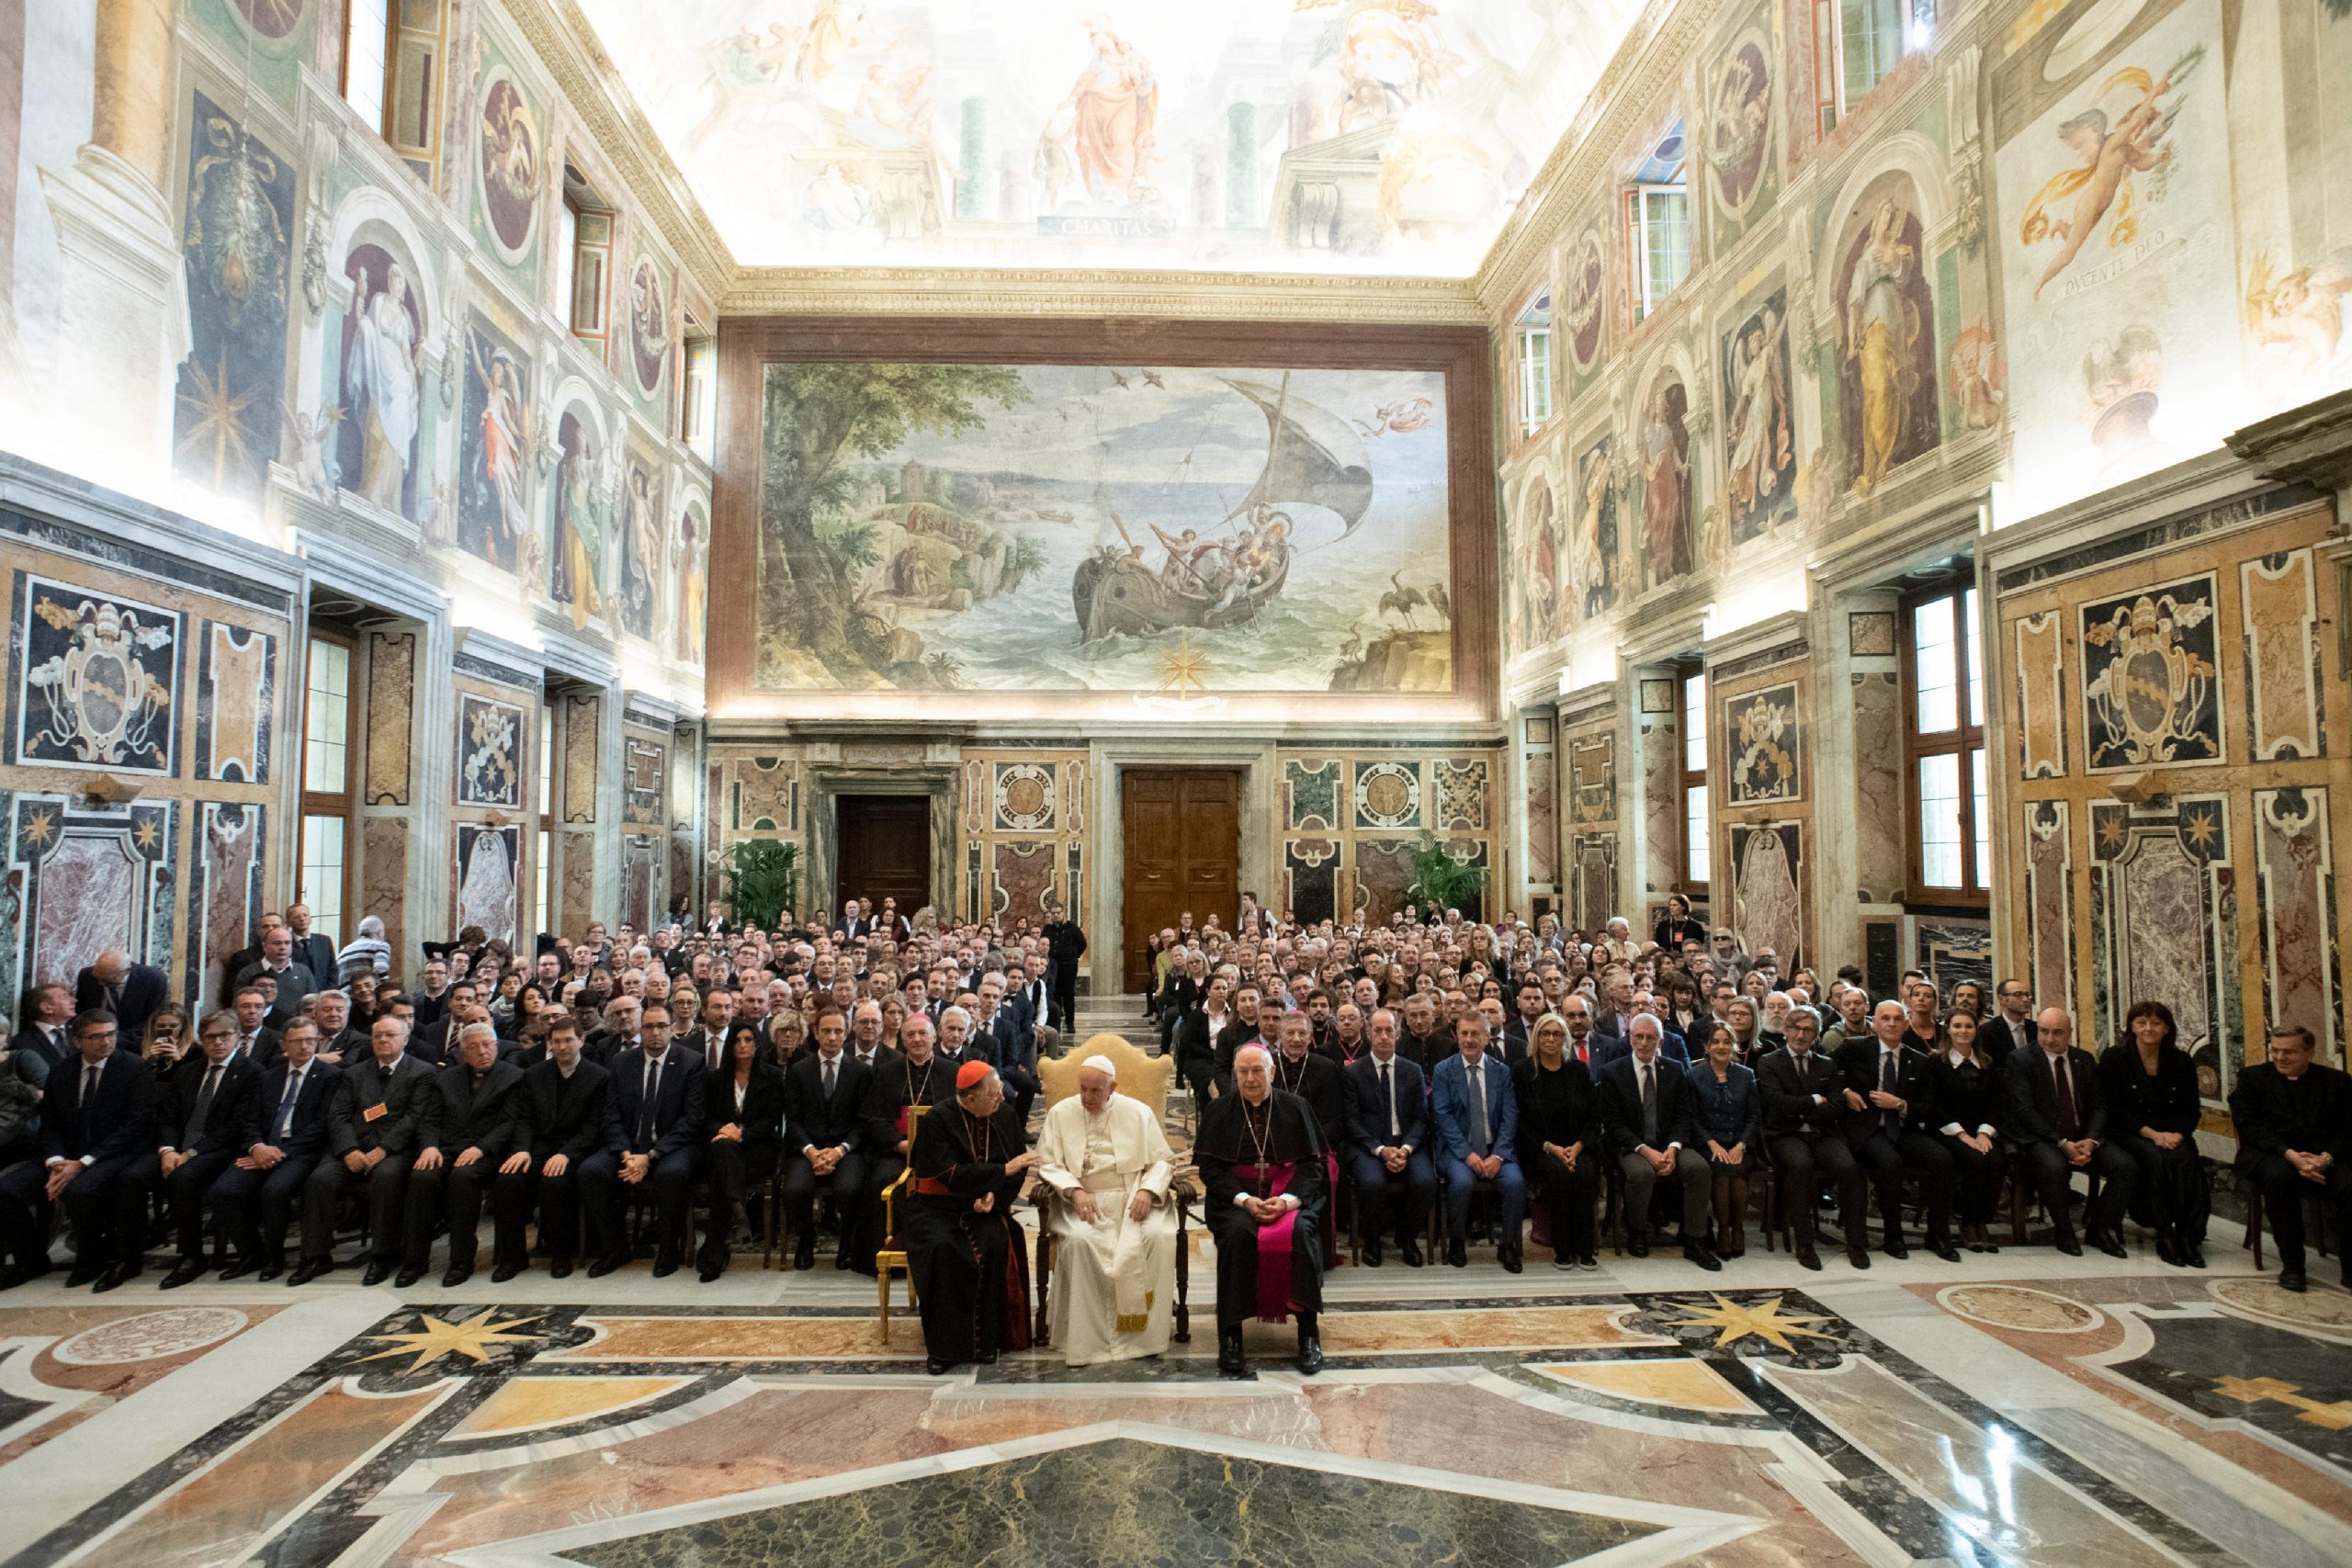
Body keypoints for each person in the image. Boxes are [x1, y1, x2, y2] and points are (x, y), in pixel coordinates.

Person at [1033, 1051, 1178, 1367]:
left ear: (1112, 1087)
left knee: (1157, 1235)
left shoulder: (1137, 1112)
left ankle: (1142, 1338)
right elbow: (1048, 1163)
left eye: (1095, 1090)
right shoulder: (1061, 1113)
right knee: (1082, 1241)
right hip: (1082, 1201)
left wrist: (1146, 1190)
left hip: (1132, 1198)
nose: (1086, 1096)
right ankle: (1088, 1341)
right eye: (1083, 1088)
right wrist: (1074, 1190)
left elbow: (1162, 1161)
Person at [0, 1011, 157, 1290]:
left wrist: (82, 1162)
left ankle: (94, 1260)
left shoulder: (135, 1068)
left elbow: (134, 1127)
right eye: (96, 1036)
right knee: (7, 1190)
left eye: (111, 1034)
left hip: (116, 1153)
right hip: (64, 1154)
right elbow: (50, 1124)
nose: (106, 1042)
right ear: (77, 1041)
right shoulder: (62, 1071)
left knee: (81, 1190)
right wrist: (56, 1160)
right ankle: (31, 1260)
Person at [1196, 1044, 1327, 1377]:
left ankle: (1308, 1333)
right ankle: (1230, 1334)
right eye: (1243, 1072)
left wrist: (1287, 1201)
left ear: (1271, 1072)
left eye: (1257, 1071)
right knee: (1238, 1237)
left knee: (1299, 1234)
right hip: (1235, 1201)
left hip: (1289, 1199)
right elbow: (1210, 1171)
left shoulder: (1296, 1108)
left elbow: (1313, 1167)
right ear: (1235, 1074)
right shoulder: (1219, 1111)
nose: (1250, 1079)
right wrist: (1244, 1199)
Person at [905, 1061, 1035, 1376]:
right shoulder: (939, 1119)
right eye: (993, 1096)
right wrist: (999, 1173)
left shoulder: (1004, 1115)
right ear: (970, 1096)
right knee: (941, 1249)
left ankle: (985, 1344)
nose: (1001, 1101)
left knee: (995, 1241)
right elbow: (946, 1173)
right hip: (937, 1208)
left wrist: (995, 1197)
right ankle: (943, 1350)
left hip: (986, 1207)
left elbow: (1021, 1167)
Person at [293, 1014, 436, 1286]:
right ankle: (315, 1256)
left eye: (390, 1035)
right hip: (352, 1148)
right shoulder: (354, 1073)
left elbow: (414, 1118)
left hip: (396, 1150)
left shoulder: (422, 1072)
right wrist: (349, 1150)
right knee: (319, 1180)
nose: (382, 1040)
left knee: (386, 1178)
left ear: (405, 1039)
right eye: (377, 1035)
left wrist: (383, 1149)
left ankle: (383, 1254)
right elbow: (338, 1115)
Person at [210, 1017, 339, 1280]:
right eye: (297, 1041)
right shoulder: (268, 1076)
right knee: (222, 1191)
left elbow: (323, 1125)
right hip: (262, 1149)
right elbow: (249, 1119)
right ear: (284, 1045)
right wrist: (257, 1147)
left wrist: (279, 1153)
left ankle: (274, 1256)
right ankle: (251, 1252)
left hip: (301, 1151)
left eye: (310, 1040)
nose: (304, 1046)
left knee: (275, 1190)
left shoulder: (331, 1076)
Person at [2227, 1024, 2351, 1293]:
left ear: (2309, 1053)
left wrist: (2325, 1158)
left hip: (2323, 1156)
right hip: (2271, 1153)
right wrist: (2292, 1156)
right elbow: (2249, 1126)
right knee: (2279, 1178)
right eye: (2276, 1051)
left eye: (2289, 1052)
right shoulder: (2253, 1078)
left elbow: (2348, 1128)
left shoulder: (2337, 1082)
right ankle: (2293, 1265)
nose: (2280, 1058)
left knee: (2350, 1185)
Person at [583, 1000, 704, 1277]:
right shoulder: (622, 1062)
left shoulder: (690, 1063)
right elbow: (610, 1114)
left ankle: (667, 1250)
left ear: (672, 1029)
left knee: (671, 1175)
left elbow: (691, 1121)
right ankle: (615, 1248)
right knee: (591, 1171)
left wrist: (650, 1156)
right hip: (629, 1146)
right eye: (649, 1027)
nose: (655, 1033)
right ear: (640, 1029)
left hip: (671, 1147)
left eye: (661, 1026)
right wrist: (627, 1154)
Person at [1835, 999, 1960, 1262]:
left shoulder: (1918, 1061)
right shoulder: (1853, 1050)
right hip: (1869, 1130)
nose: (1891, 1024)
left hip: (1903, 1128)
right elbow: (1826, 1074)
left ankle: (1938, 1234)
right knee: (1889, 1163)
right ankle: (1894, 1235)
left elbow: (1927, 1107)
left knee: (1943, 1160)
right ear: (1875, 1022)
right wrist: (1846, 1092)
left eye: (1897, 1019)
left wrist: (1900, 1104)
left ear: (1905, 1024)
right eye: (1885, 1018)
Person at [2005, 1006, 2135, 1258]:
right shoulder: (2021, 1060)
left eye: (2057, 1033)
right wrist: (2061, 1141)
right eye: (2043, 1031)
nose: (2049, 1039)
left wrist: (2091, 1140)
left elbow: (2099, 1105)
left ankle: (2100, 1229)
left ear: (2069, 1033)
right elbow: (2024, 1111)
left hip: (2083, 1137)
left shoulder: (2084, 1060)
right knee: (2055, 1167)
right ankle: (2063, 1231)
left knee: (2126, 1166)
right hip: (2040, 1138)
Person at [406, 1021, 525, 1288]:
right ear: (463, 1053)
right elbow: (430, 1119)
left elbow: (509, 1122)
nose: (482, 1051)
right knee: (421, 1177)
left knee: (463, 1178)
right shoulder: (446, 1078)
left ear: (496, 1046)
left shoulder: (514, 1076)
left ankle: (461, 1260)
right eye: (474, 1047)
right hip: (446, 1148)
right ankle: (415, 1259)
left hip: (488, 1150)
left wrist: (481, 1148)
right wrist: (429, 1146)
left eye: (487, 1045)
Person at [154, 1010, 263, 1288]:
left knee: (184, 1177)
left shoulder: (251, 1073)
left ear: (237, 1037)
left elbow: (237, 1125)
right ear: (202, 1041)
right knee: (134, 1176)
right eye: (211, 1037)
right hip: (180, 1147)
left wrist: (190, 1152)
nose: (217, 1042)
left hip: (223, 1147)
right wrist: (167, 1149)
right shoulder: (188, 1072)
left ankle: (191, 1255)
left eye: (224, 1036)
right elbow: (167, 1116)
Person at [496, 1014, 609, 1280]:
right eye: (556, 1041)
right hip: (537, 1148)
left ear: (581, 1040)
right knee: (508, 1179)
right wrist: (522, 1149)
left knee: (555, 1182)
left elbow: (594, 1127)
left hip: (576, 1151)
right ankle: (513, 1258)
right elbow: (525, 1118)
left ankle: (560, 1255)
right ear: (549, 1043)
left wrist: (566, 1154)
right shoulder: (535, 1074)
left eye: (569, 1040)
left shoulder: (598, 1076)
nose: (562, 1047)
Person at [1597, 1015, 1716, 1267]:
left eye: (1650, 1037)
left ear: (1660, 1041)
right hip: (1630, 1146)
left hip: (1669, 1143)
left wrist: (1673, 1148)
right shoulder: (1612, 1072)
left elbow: (1684, 1115)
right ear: (1629, 1038)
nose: (1643, 1042)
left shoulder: (1673, 1069)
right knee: (1641, 1173)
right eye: (1638, 1036)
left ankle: (1695, 1239)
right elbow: (1614, 1124)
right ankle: (1638, 1230)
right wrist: (1646, 1151)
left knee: (1698, 1168)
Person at [2099, 1000, 2208, 1269]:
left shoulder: (2180, 1061)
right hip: (2129, 1131)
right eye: (2142, 1023)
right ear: (2132, 1027)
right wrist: (2153, 1135)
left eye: (2155, 1023)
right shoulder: (2115, 1058)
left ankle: (2187, 1233)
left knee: (2185, 1159)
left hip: (2172, 1132)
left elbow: (2191, 1108)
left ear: (2166, 1028)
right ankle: (2164, 1232)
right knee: (2155, 1159)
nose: (2148, 1029)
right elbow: (2113, 1108)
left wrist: (2178, 1134)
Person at [1758, 1006, 1868, 1269]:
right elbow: (1776, 1102)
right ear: (1786, 1030)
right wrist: (1814, 1101)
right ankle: (1804, 1243)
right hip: (1785, 1135)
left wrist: (1803, 1112)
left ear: (1816, 1035)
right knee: (1800, 1166)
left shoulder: (1826, 1065)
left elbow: (1836, 1107)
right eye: (1795, 1028)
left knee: (1849, 1168)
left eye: (1807, 1030)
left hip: (1822, 1133)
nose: (1800, 1034)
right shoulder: (1769, 1062)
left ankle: (1856, 1242)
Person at [857, 1010, 956, 1273]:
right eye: (910, 1034)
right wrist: (900, 1144)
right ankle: (891, 1260)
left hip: (941, 1153)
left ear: (934, 1037)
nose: (917, 1039)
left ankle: (939, 1256)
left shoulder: (951, 1071)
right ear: (903, 1040)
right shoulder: (888, 1072)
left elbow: (960, 1119)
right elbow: (873, 1120)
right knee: (882, 1181)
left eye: (923, 1033)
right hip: (896, 1150)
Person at [1430, 1012, 1525, 1271]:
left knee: (1516, 1183)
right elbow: (1443, 1116)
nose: (1469, 1039)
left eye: (1475, 1034)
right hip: (1458, 1150)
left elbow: (1510, 1116)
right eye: (1464, 1033)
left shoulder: (1501, 1071)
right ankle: (1457, 1241)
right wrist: (1468, 1154)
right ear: (1457, 1036)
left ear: (1487, 1037)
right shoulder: (1443, 1070)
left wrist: (1499, 1155)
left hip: (1496, 1149)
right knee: (1461, 1183)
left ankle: (1507, 1245)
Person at [781, 1009, 870, 1270]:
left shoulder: (861, 1071)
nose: (832, 1037)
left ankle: (846, 1242)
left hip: (846, 1150)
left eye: (838, 1031)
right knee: (795, 1189)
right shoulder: (799, 1070)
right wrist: (810, 1151)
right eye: (827, 1031)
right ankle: (806, 1240)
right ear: (816, 1033)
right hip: (808, 1148)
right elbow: (793, 1118)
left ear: (847, 1032)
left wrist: (840, 1151)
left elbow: (863, 1122)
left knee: (850, 1189)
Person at [1343, 1008, 1432, 1267]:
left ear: (1398, 1033)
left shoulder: (1412, 1070)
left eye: (1389, 1030)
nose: (1383, 1036)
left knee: (1426, 1183)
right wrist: (1380, 1150)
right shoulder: (1353, 1073)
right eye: (1378, 1030)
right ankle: (1371, 1239)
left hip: (1407, 1145)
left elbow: (1421, 1118)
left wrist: (1405, 1149)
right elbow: (1352, 1121)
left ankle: (1406, 1237)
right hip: (1369, 1147)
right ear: (1368, 1033)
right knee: (1371, 1184)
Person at [699, 1020, 786, 1281]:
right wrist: (724, 1129)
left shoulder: (772, 1077)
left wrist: (741, 1134)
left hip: (759, 1148)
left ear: (757, 1044)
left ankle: (715, 1252)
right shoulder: (716, 1078)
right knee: (723, 1154)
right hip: (724, 1147)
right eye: (737, 1040)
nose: (742, 1045)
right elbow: (707, 1118)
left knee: (720, 1176)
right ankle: (738, 1209)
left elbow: (771, 1121)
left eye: (748, 1040)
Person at [1514, 1013, 1600, 1270]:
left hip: (1576, 1146)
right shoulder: (1523, 1071)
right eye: (1545, 1033)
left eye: (1557, 1034)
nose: (1551, 1039)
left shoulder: (1578, 1070)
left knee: (1586, 1172)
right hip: (1539, 1148)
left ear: (1565, 1038)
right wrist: (1551, 1148)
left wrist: (1576, 1147)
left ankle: (1583, 1249)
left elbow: (1593, 1117)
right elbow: (1521, 1122)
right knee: (1559, 1174)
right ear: (1536, 1037)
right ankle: (1562, 1249)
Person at [1926, 1008, 2006, 1253]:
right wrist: (1963, 1136)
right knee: (1975, 1161)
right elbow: (1934, 1106)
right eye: (1957, 1026)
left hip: (1981, 1131)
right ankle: (1968, 1222)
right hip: (1947, 1131)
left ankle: (1981, 1220)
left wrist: (1983, 1133)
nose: (1963, 1031)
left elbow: (1996, 1103)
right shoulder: (1935, 1063)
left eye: (1968, 1026)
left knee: (1997, 1161)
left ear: (1976, 1030)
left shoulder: (1987, 1062)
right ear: (1947, 1029)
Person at [1686, 1021, 1761, 1258]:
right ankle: (1724, 1232)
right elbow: (1692, 1118)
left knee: (1737, 1171)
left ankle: (1736, 1229)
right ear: (1707, 1047)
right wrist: (1712, 1144)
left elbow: (1754, 1116)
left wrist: (1741, 1145)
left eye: (1727, 1042)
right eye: (1716, 1042)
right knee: (1721, 1171)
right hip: (1708, 1143)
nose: (1721, 1047)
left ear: (1734, 1045)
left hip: (1741, 1143)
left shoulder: (1746, 1075)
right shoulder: (1693, 1076)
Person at [74, 950, 170, 1053]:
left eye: (107, 980)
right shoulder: (86, 976)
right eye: (97, 978)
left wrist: (114, 1039)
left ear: (126, 971)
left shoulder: (153, 979)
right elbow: (82, 1013)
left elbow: (153, 1019)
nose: (100, 983)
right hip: (93, 1044)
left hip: (134, 1047)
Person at [1041, 900, 1086, 1033]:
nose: (1055, 916)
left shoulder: (1072, 927)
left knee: (1068, 993)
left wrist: (1073, 955)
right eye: (1053, 913)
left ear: (1063, 913)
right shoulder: (1048, 929)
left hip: (1069, 965)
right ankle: (1056, 1023)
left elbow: (1082, 944)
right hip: (1053, 965)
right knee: (1054, 993)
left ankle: (1070, 1022)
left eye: (1058, 913)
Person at [1981, 978, 2037, 1065]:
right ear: (2001, 999)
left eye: (2027, 994)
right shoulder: (1987, 1032)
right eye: (2018, 994)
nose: (2026, 999)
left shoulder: (2036, 1028)